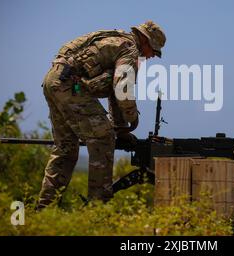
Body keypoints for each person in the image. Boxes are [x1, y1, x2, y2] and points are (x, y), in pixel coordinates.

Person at [37, 20, 166, 209]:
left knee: (66, 148)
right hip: (69, 86)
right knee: (104, 138)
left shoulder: (117, 40)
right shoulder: (129, 50)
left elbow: (114, 93)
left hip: (54, 80)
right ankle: (98, 208)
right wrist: (133, 118)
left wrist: (121, 130)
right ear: (146, 42)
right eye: (154, 51)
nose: (152, 56)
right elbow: (122, 88)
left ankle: (44, 210)